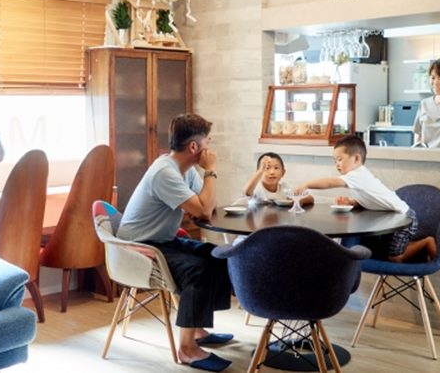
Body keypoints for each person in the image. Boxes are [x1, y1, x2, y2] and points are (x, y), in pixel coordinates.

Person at [117, 114, 233, 372]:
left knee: (217, 255)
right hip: (139, 247)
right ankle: (187, 349)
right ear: (194, 147)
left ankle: (197, 330)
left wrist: (204, 192)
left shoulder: (185, 170)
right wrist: (211, 170)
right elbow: (204, 210)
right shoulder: (165, 173)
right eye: (208, 141)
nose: (210, 147)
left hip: (162, 240)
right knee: (198, 270)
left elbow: (207, 205)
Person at [295, 135, 436, 262]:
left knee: (395, 258)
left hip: (404, 219)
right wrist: (352, 202)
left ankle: (427, 242)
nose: (337, 164)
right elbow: (373, 200)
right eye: (335, 160)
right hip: (394, 218)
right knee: (387, 251)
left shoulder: (357, 175)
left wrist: (307, 184)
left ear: (356, 158)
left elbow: (330, 182)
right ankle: (416, 250)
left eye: (340, 159)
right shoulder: (360, 176)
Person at [242, 152, 314, 206]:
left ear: (283, 172)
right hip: (258, 220)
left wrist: (299, 199)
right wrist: (260, 171)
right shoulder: (257, 188)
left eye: (276, 168)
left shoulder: (284, 187)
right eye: (266, 168)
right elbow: (247, 192)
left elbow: (311, 199)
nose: (272, 172)